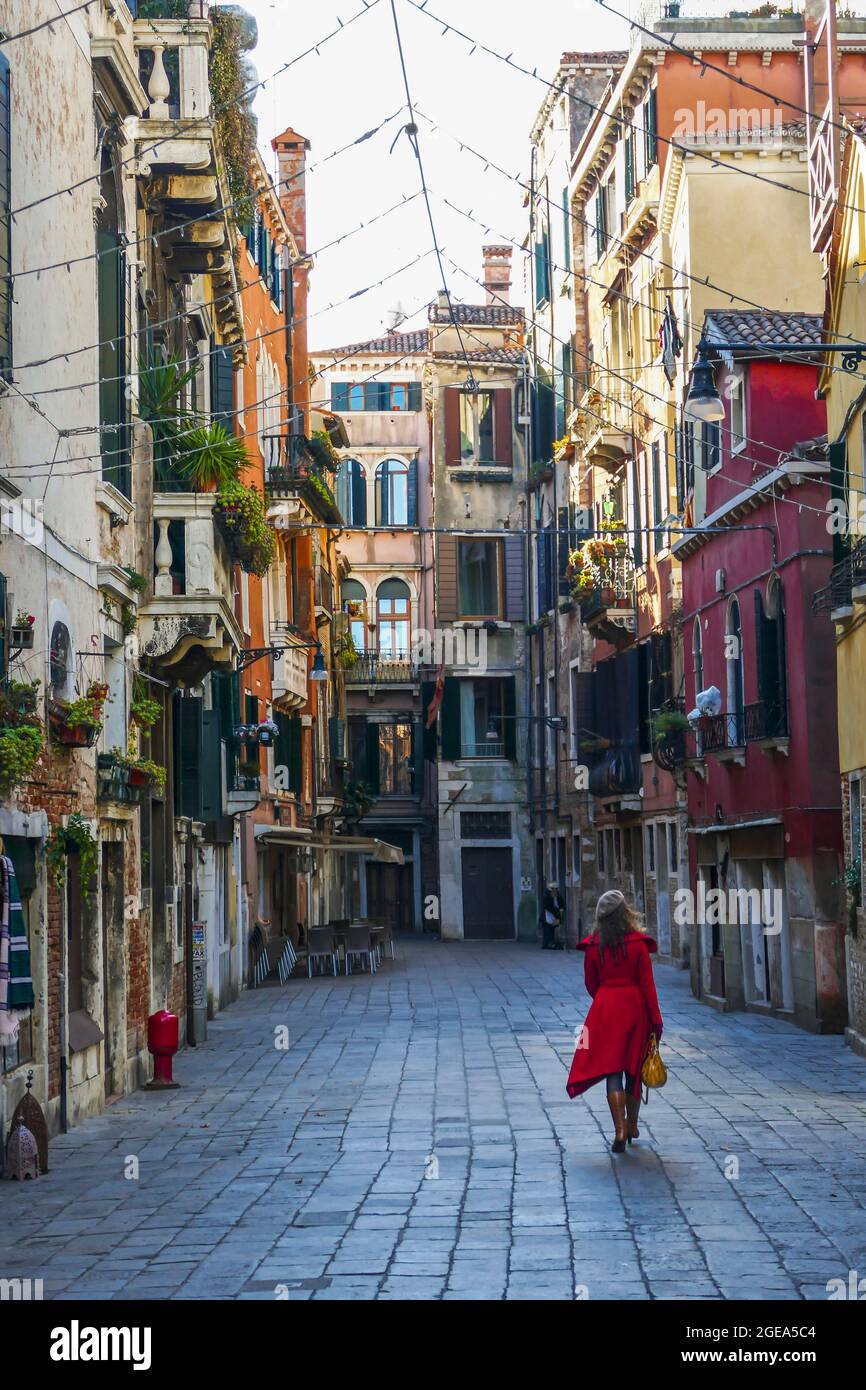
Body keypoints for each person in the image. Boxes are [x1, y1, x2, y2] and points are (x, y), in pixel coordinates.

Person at [565, 889, 663, 1153]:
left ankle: (619, 1129)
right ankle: (632, 1125)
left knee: (613, 1070)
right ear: (625, 913)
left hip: (605, 1010)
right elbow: (648, 985)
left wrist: (606, 996)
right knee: (634, 1068)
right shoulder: (638, 945)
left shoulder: (594, 945)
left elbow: (590, 983)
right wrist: (656, 1021)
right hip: (635, 1009)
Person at [541, 882, 565, 950]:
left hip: (556, 917)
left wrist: (561, 910)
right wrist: (557, 914)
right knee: (547, 930)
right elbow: (549, 908)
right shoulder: (546, 898)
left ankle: (551, 943)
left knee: (552, 930)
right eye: (553, 891)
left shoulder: (559, 898)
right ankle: (546, 944)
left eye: (555, 891)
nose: (554, 893)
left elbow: (562, 905)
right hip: (547, 916)